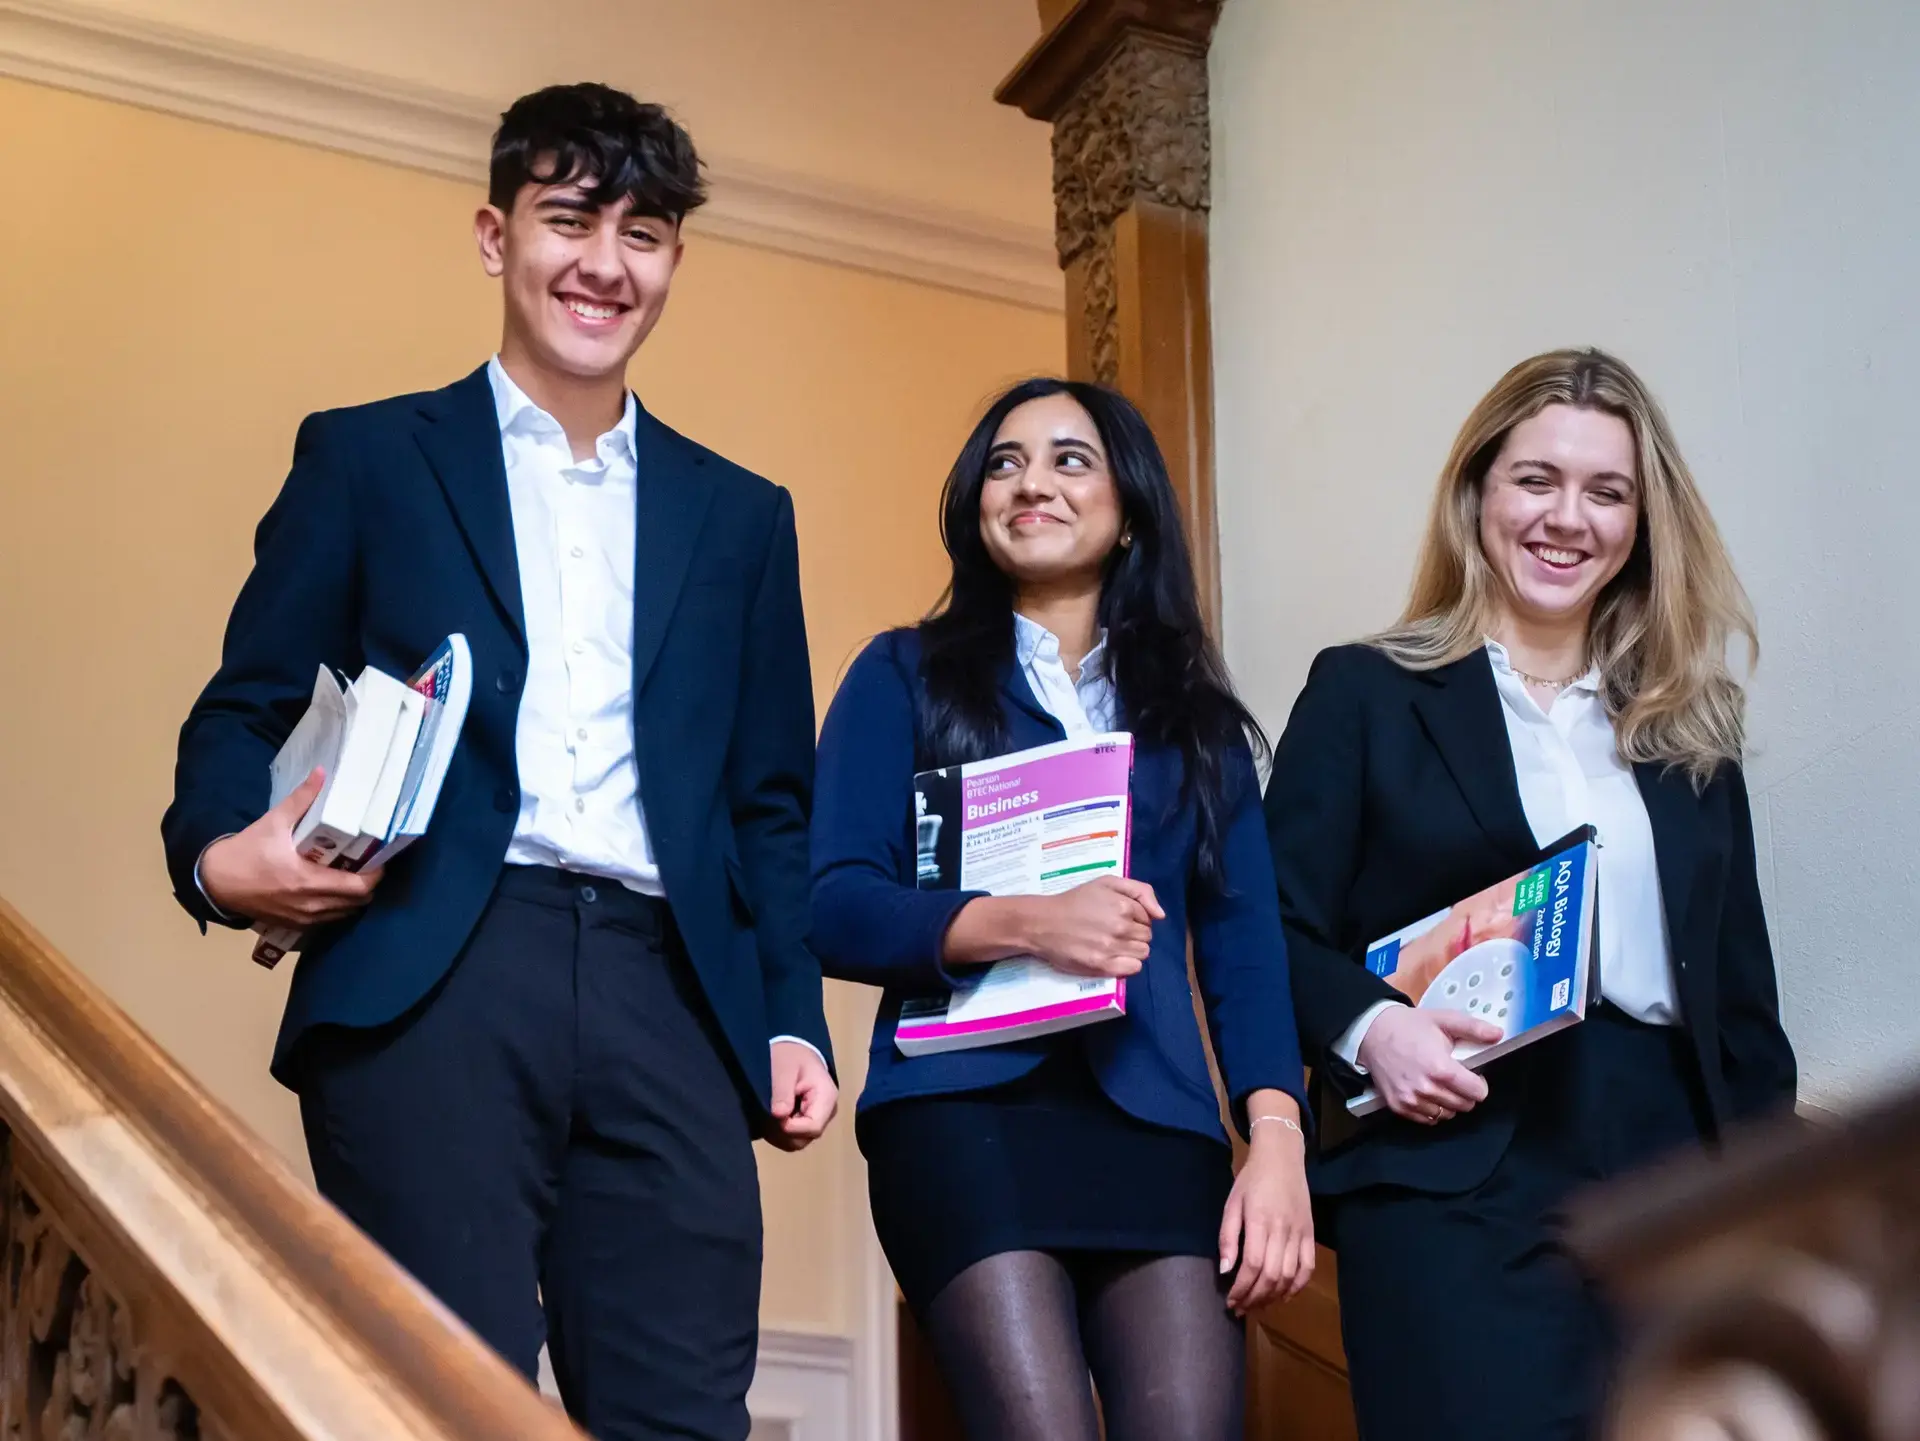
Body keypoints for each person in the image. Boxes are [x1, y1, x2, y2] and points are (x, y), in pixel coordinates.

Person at [160, 83, 836, 1441]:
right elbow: (239, 708)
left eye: (642, 232)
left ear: (674, 264)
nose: (605, 261)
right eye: (569, 217)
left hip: (675, 999)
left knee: (682, 1416)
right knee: (437, 1404)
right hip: (436, 973)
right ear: (495, 233)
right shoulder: (366, 459)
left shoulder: (746, 517)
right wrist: (220, 855)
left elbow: (770, 808)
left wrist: (790, 1016)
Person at [1263, 348, 1798, 1441]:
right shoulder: (1365, 693)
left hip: (1670, 1173)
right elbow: (1271, 925)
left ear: (1644, 525)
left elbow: (1742, 1004)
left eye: (1608, 491)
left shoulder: (1692, 730)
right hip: (1451, 1165)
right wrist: (1375, 1031)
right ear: (1479, 494)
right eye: (1536, 479)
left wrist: (1768, 1210)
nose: (1569, 517)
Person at [811, 378, 1313, 1441]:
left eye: (1069, 459)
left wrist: (1275, 1140)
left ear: (1129, 508)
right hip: (960, 1118)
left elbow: (1245, 948)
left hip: (1157, 1119)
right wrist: (1026, 921)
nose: (1031, 480)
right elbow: (835, 904)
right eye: (1005, 462)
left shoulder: (1198, 722)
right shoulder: (903, 675)